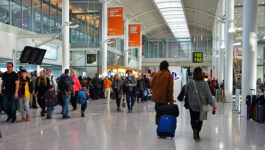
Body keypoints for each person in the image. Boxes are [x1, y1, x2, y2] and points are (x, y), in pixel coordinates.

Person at [185, 67, 216, 142]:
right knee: (200, 120)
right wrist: (213, 105)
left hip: (192, 104)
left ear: (194, 74)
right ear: (201, 73)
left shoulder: (190, 82)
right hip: (203, 105)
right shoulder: (205, 83)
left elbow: (186, 91)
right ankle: (197, 132)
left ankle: (194, 131)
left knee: (193, 119)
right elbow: (209, 96)